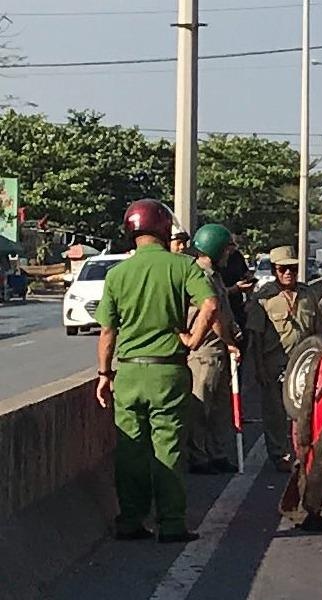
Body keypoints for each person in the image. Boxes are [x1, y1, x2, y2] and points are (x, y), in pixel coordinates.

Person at [95, 199, 219, 544]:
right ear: (165, 229)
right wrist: (193, 339)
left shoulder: (117, 274)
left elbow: (107, 332)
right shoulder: (182, 266)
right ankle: (172, 524)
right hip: (168, 372)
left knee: (130, 450)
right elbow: (210, 304)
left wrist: (104, 374)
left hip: (129, 374)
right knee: (169, 450)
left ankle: (130, 520)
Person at [245, 245, 320, 472]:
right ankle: (280, 454)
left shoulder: (308, 295)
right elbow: (256, 337)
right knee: (275, 413)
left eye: (293, 269)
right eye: (282, 269)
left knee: (304, 411)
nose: (288, 273)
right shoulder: (264, 298)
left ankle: (303, 452)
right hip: (274, 364)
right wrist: (259, 367)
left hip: (303, 364)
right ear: (274, 270)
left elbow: (319, 329)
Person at [186, 224, 242, 475]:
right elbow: (213, 316)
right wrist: (229, 342)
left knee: (219, 408)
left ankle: (217, 453)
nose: (228, 255)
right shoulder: (199, 276)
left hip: (219, 350)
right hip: (205, 351)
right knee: (200, 407)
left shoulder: (215, 276)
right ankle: (198, 456)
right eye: (226, 250)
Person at [220, 244, 254, 330]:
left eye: (233, 244)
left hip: (238, 305)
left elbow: (246, 273)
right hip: (223, 309)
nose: (232, 248)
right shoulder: (214, 262)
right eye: (229, 244)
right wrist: (234, 289)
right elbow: (215, 292)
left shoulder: (237, 255)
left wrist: (250, 281)